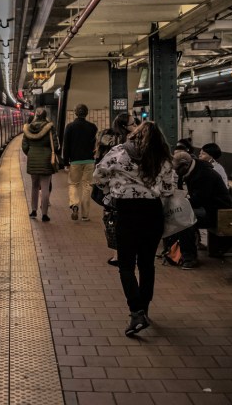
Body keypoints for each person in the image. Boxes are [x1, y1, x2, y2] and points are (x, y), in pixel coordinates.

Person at [93, 121, 175, 336]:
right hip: (153, 212)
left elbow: (98, 175)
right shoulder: (163, 157)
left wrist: (110, 189)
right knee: (147, 264)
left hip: (126, 212)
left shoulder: (119, 151)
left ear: (136, 135)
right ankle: (144, 309)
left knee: (126, 265)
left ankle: (136, 311)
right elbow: (168, 189)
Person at [168, 150, 232, 269]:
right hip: (207, 207)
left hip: (218, 211)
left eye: (177, 169)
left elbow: (199, 200)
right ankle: (175, 251)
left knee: (185, 219)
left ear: (185, 165)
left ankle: (189, 258)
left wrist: (180, 204)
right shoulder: (191, 171)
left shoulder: (204, 174)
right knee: (176, 214)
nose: (176, 172)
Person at [94, 113, 138, 266]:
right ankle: (126, 254)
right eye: (133, 124)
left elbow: (99, 171)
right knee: (126, 223)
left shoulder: (107, 140)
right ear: (125, 126)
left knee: (114, 222)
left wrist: (106, 189)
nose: (136, 126)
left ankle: (117, 255)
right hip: (128, 192)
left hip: (114, 191)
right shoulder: (127, 145)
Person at [21, 107, 60, 222]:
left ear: (35, 115)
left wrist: (31, 153)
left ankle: (33, 211)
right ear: (45, 116)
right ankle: (44, 214)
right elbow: (55, 145)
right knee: (45, 187)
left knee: (34, 186)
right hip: (46, 160)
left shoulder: (28, 128)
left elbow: (24, 146)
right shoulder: (50, 127)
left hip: (33, 159)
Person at [62, 103, 98, 221]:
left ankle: (74, 204)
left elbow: (66, 146)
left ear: (75, 113)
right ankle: (85, 215)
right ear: (86, 113)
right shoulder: (93, 127)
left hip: (75, 161)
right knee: (87, 186)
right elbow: (94, 144)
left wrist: (65, 162)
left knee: (74, 184)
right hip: (89, 160)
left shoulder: (70, 127)